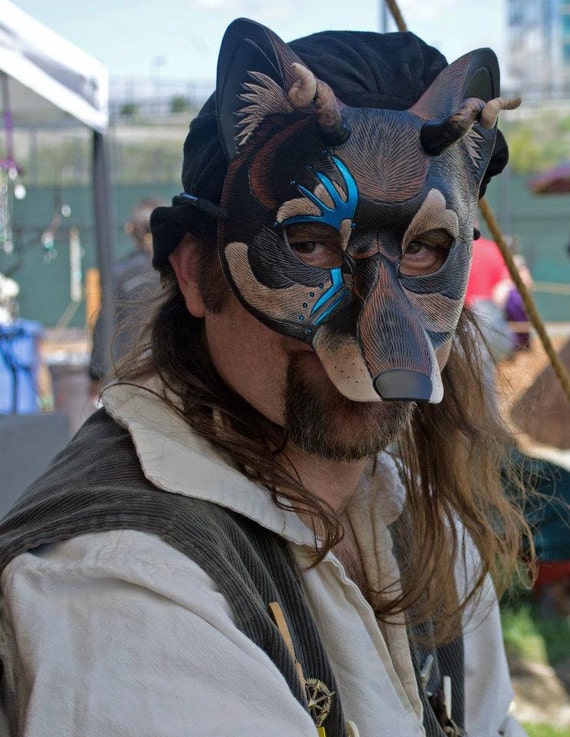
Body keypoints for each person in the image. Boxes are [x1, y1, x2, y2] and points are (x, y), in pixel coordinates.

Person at [0, 18, 532, 737]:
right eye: (309, 242)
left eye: (424, 249)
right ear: (194, 271)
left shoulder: (415, 510)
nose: (379, 338)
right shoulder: (127, 592)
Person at [88, 196, 164, 401]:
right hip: (169, 372)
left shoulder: (119, 274)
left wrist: (96, 374)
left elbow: (104, 326)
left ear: (131, 230)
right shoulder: (177, 271)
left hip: (128, 376)